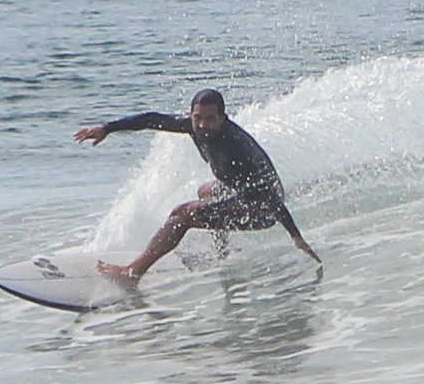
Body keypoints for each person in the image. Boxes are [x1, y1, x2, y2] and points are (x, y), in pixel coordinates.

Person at [74, 88, 320, 287]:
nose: (202, 125)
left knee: (183, 214)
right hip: (240, 193)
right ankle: (222, 251)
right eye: (197, 117)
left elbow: (271, 196)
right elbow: (152, 119)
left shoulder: (237, 145)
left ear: (223, 118)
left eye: (210, 119)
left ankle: (132, 273)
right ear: (191, 115)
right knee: (205, 192)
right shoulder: (192, 126)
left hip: (262, 207)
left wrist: (295, 236)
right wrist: (108, 128)